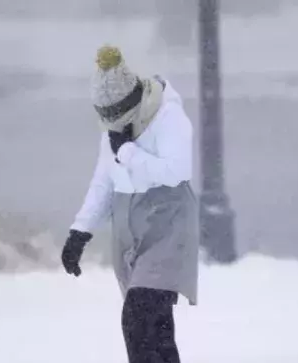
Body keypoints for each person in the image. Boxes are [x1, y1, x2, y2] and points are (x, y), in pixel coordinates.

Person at [60, 45, 198, 363]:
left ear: (132, 99)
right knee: (157, 330)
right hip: (130, 236)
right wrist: (79, 232)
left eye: (115, 115)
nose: (112, 124)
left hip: (168, 227)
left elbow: (177, 170)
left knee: (137, 318)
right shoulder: (114, 128)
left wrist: (128, 153)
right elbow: (103, 182)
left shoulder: (167, 116)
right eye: (105, 117)